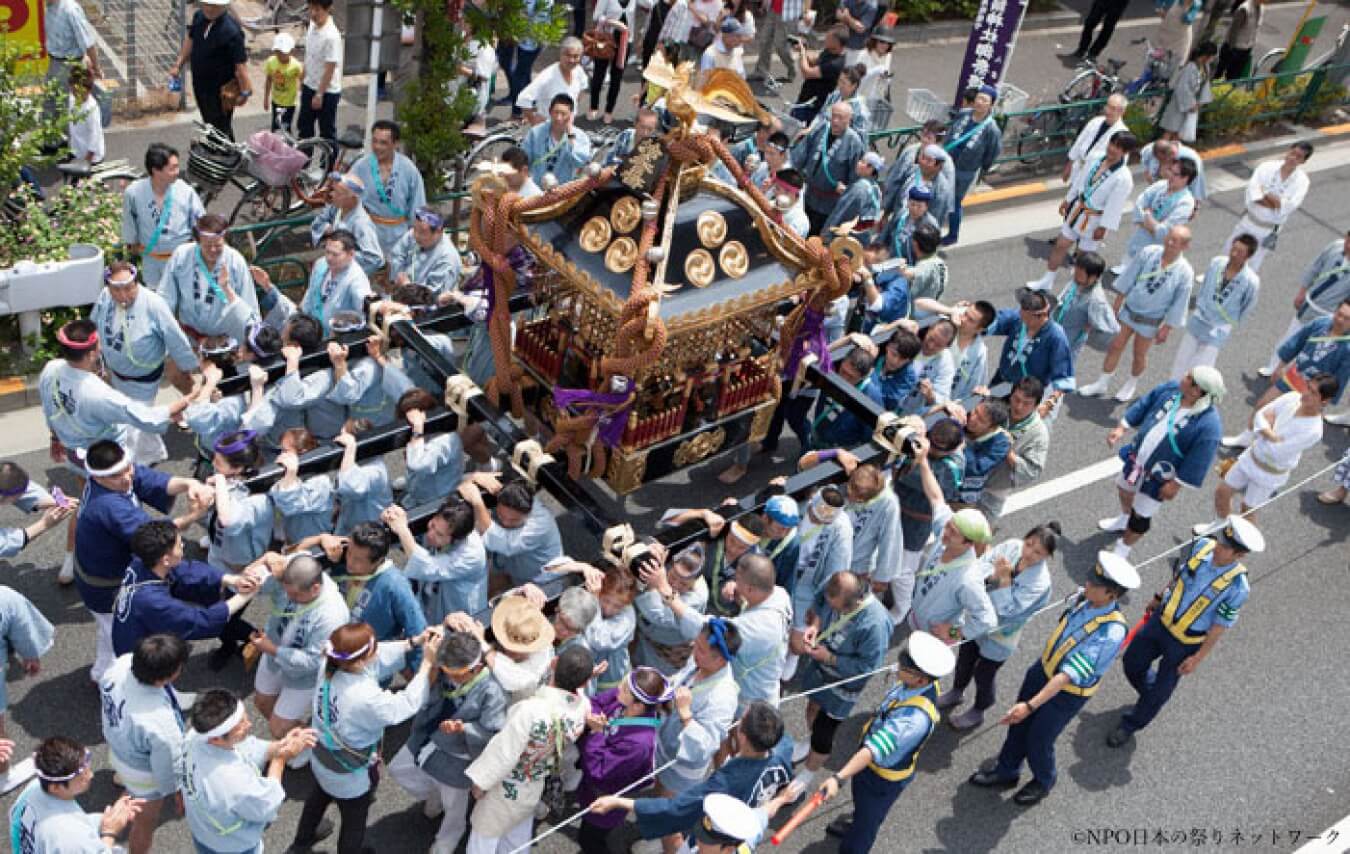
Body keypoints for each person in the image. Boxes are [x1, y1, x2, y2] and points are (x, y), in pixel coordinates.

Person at [969, 552, 1139, 806]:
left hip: (1066, 692)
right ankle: (1007, 770)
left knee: (1039, 738)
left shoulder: (1110, 632)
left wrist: (1030, 705)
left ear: (1111, 595)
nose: (1087, 584)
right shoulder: (1087, 599)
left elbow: (1066, 677)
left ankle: (1044, 780)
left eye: (1095, 584)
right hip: (1043, 670)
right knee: (1019, 726)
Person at [1109, 516, 1263, 748]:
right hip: (1160, 622)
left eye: (1226, 548)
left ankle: (1131, 724)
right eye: (1221, 542)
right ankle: (1148, 694)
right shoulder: (1202, 547)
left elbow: (1220, 626)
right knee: (1132, 662)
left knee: (1161, 692)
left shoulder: (1238, 587)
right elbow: (1179, 577)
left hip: (1185, 641)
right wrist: (1159, 597)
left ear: (1239, 555)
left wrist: (1197, 658)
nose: (1219, 548)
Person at [289, 623, 441, 854]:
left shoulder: (329, 664)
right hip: (349, 773)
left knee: (318, 796)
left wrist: (413, 642)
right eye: (374, 648)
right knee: (353, 822)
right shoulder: (366, 698)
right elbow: (406, 704)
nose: (378, 650)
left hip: (321, 756)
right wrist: (427, 663)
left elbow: (373, 656)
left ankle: (301, 842)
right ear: (360, 661)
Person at [72, 440, 209, 678]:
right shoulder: (108, 506)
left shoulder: (112, 480)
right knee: (128, 642)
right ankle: (126, 685)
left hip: (98, 576)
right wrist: (194, 515)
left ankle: (101, 674)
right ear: (98, 478)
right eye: (117, 475)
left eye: (128, 468)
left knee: (109, 631)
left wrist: (189, 483)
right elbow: (156, 536)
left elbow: (155, 481)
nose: (127, 478)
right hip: (108, 587)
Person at [815, 632, 955, 850]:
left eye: (904, 668)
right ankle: (857, 820)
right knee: (862, 807)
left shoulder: (913, 721)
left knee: (866, 826)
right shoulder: (920, 684)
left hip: (881, 777)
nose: (897, 667)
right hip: (870, 767)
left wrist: (838, 778)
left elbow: (873, 750)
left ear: (921, 679)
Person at [592, 701, 793, 848]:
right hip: (740, 830)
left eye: (741, 720)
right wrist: (781, 800)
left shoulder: (725, 784)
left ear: (742, 735)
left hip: (712, 839)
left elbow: (675, 808)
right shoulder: (783, 747)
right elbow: (762, 814)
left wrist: (618, 802)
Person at [464, 644, 592, 854]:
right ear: (586, 682)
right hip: (534, 783)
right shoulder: (582, 709)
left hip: (506, 787)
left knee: (484, 840)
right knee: (517, 840)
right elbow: (582, 695)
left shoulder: (530, 710)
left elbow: (504, 753)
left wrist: (481, 782)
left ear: (553, 663)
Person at [390, 628, 508, 854]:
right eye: (446, 670)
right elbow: (431, 690)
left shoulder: (492, 690)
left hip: (458, 754)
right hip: (429, 734)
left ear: (476, 668)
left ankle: (447, 840)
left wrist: (464, 728)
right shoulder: (447, 670)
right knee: (398, 769)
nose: (450, 676)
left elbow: (493, 732)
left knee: (454, 807)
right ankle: (434, 794)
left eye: (457, 673)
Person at [939, 523, 1059, 731]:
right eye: (1029, 544)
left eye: (1038, 552)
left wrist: (1003, 580)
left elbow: (1008, 611)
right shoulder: (1012, 546)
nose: (1029, 552)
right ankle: (956, 691)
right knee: (965, 658)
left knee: (984, 674)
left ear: (1047, 556)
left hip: (1002, 634)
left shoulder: (1040, 583)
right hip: (979, 618)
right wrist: (993, 577)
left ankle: (979, 709)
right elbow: (981, 566)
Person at [1099, 368, 1225, 559]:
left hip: (1159, 477)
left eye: (1189, 378)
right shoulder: (1172, 390)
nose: (1183, 378)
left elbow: (1199, 460)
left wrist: (1176, 484)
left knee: (1141, 516)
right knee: (1124, 489)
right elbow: (1145, 403)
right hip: (1137, 460)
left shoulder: (1209, 425)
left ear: (1197, 391)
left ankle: (1123, 549)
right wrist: (1122, 427)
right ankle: (1124, 517)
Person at [647, 551, 790, 711]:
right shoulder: (778, 594)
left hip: (750, 699)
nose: (734, 582)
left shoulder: (762, 628)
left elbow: (707, 627)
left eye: (737, 580)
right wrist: (738, 590)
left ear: (750, 589)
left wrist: (665, 590)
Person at [180, 689, 317, 854]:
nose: (249, 724)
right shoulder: (231, 780)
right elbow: (268, 802)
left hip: (204, 832)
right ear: (216, 738)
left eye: (245, 717)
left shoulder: (195, 736)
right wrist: (281, 758)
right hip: (234, 846)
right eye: (240, 725)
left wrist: (281, 745)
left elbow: (245, 747)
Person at [90, 262, 200, 465]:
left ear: (136, 282)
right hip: (116, 374)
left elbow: (174, 337)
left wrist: (187, 366)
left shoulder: (153, 304)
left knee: (131, 425)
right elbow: (94, 327)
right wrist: (96, 362)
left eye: (128, 287)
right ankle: (153, 453)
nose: (123, 294)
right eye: (117, 289)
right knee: (137, 420)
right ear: (109, 287)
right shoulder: (105, 297)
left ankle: (133, 468)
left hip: (144, 377)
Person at [111, 520, 259, 664]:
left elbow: (185, 570)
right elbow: (201, 621)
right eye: (178, 544)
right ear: (166, 560)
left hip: (130, 636)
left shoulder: (142, 561)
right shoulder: (153, 602)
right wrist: (244, 596)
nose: (183, 545)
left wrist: (231, 579)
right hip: (140, 660)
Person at [1204, 373, 1337, 530]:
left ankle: (1239, 548)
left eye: (1313, 393)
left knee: (1247, 510)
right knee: (1222, 492)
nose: (1306, 393)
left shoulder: (1314, 431)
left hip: (1270, 473)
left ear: (1325, 400)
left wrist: (1265, 427)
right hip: (1251, 456)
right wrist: (1270, 434)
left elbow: (1276, 452)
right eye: (1308, 387)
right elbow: (1261, 415)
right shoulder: (1292, 397)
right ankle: (1219, 527)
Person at [99, 633, 191, 854]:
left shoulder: (120, 665)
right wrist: (176, 791)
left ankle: (124, 784)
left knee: (130, 788)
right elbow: (167, 766)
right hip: (141, 772)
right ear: (167, 676)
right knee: (145, 823)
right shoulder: (160, 722)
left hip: (117, 746)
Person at [1080, 227, 1195, 403]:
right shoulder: (1149, 252)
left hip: (1150, 320)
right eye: (1169, 238)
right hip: (1130, 309)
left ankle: (1131, 383)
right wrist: (1117, 304)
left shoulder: (1185, 272)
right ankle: (1102, 382)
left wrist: (1167, 327)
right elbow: (1129, 276)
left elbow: (1180, 302)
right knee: (1115, 345)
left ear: (1185, 246)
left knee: (1139, 354)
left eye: (1175, 241)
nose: (1170, 242)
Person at [793, 570, 890, 779]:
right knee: (812, 708)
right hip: (820, 671)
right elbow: (820, 598)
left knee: (823, 733)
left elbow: (866, 669)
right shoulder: (834, 586)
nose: (830, 607)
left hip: (842, 687)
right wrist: (815, 625)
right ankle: (810, 740)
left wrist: (830, 658)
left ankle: (807, 775)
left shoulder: (875, 626)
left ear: (853, 604)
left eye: (834, 607)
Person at [250, 553, 351, 738]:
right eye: (287, 592)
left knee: (277, 728)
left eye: (295, 595)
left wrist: (272, 649)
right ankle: (298, 736)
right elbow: (254, 582)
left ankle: (310, 744)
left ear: (315, 588)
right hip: (274, 653)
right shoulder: (295, 566)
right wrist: (264, 560)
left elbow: (312, 660)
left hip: (303, 676)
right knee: (262, 702)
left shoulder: (332, 616)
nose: (290, 598)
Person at [1028, 132, 1137, 292]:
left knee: (1083, 259)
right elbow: (1080, 180)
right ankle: (1047, 280)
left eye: (1119, 147)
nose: (1112, 149)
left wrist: (1104, 227)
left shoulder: (1123, 178)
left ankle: (1072, 291)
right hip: (1077, 209)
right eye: (1112, 143)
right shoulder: (1096, 157)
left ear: (1125, 152)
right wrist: (1068, 199)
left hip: (1095, 219)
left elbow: (1115, 206)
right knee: (1061, 245)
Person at [574, 667, 668, 852]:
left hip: (606, 797)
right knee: (588, 834)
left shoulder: (639, 744)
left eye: (625, 689)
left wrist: (596, 733)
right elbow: (596, 702)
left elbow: (599, 771)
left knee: (592, 840)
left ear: (638, 706)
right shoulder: (625, 700)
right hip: (593, 790)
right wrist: (595, 717)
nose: (619, 688)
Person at [1231, 299, 1350, 433]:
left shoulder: (1348, 347)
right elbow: (1296, 342)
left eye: (1347, 319)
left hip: (1312, 391)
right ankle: (1246, 438)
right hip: (1294, 375)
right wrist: (1279, 366)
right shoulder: (1320, 323)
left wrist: (1322, 403)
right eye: (1339, 314)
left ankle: (1263, 449)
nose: (1340, 320)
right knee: (1263, 405)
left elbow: (1340, 378)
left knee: (1285, 424)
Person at [9, 736, 142, 853]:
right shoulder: (70, 838)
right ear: (55, 787)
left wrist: (105, 819)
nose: (91, 775)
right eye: (81, 777)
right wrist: (110, 832)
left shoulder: (33, 789)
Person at [330, 522, 428, 667]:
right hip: (336, 653)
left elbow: (417, 629)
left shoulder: (395, 585)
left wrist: (413, 669)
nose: (349, 561)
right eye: (349, 552)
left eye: (358, 560)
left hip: (367, 665)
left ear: (378, 561)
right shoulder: (340, 564)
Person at [1259, 230, 1350, 377]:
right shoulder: (1335, 247)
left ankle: (1296, 377)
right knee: (1290, 337)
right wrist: (1302, 291)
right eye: (1348, 241)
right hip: (1310, 305)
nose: (1349, 246)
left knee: (1314, 349)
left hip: (1329, 315)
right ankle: (1273, 367)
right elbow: (1315, 268)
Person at [1171, 234, 1261, 381]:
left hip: (1219, 326)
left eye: (1240, 252)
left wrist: (1231, 323)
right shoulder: (1217, 263)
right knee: (1182, 358)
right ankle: (1171, 388)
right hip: (1201, 317)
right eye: (1234, 248)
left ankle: (1188, 396)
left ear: (1248, 257)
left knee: (1201, 366)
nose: (1234, 254)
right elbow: (1205, 286)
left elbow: (1247, 307)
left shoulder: (1251, 281)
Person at [159, 213, 260, 342]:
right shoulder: (181, 256)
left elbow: (250, 308)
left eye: (218, 246)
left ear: (224, 238)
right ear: (197, 240)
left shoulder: (235, 262)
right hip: (190, 336)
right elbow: (166, 296)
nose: (213, 250)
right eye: (207, 245)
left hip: (225, 340)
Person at [386, 502, 488, 625]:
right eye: (432, 525)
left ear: (457, 540)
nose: (430, 534)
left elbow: (427, 566)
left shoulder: (472, 554)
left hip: (455, 605)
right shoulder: (441, 529)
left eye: (439, 534)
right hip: (431, 596)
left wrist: (402, 529)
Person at [459, 473, 564, 589]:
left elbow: (503, 542)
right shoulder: (511, 493)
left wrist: (477, 502)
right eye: (501, 516)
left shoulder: (541, 524)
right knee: (480, 587)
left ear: (528, 513)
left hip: (541, 582)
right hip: (510, 566)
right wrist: (474, 476)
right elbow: (464, 482)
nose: (506, 523)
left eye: (514, 520)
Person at [122, 142, 205, 288]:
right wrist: (131, 244)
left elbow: (201, 222)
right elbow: (129, 223)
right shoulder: (134, 193)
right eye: (172, 168)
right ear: (156, 170)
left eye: (177, 166)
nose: (177, 172)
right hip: (151, 261)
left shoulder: (185, 191)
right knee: (156, 299)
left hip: (181, 260)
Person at [169, 0, 252, 140]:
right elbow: (190, 40)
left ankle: (225, 157)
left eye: (214, 5)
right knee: (210, 124)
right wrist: (178, 64)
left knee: (220, 128)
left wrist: (245, 92)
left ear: (223, 6)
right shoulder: (199, 17)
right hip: (200, 84)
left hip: (220, 91)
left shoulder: (232, 31)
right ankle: (221, 153)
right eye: (206, 4)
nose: (209, 8)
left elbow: (241, 66)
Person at [980, 288, 1075, 400]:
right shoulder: (1020, 319)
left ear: (1041, 316)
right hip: (1002, 380)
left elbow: (1063, 378)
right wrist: (978, 321)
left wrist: (1049, 404)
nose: (1022, 320)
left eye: (1027, 319)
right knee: (987, 409)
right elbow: (998, 320)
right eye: (1021, 314)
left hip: (1026, 394)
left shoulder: (1056, 337)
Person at [633, 544, 708, 675]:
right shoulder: (665, 564)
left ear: (695, 580)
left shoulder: (697, 597)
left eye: (684, 584)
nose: (675, 585)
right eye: (672, 577)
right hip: (645, 637)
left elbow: (660, 615)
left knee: (653, 680)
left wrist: (655, 586)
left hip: (666, 652)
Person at [1114, 158, 1198, 276]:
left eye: (1175, 174)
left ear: (1186, 178)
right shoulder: (1161, 185)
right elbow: (1140, 202)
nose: (1170, 176)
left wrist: (1147, 215)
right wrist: (1151, 223)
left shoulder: (1186, 202)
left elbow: (1164, 232)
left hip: (1155, 248)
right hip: (1139, 239)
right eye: (1170, 171)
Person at [943, 85, 1003, 245]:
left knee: (954, 201)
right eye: (979, 98)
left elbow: (992, 152)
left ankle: (953, 233)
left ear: (991, 105)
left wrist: (980, 168)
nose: (980, 102)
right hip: (947, 163)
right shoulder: (964, 114)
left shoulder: (992, 129)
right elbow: (950, 133)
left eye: (985, 100)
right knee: (939, 193)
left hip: (965, 170)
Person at [205, 431, 274, 569]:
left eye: (218, 462)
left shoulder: (257, 499)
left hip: (238, 558)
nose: (213, 464)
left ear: (238, 468)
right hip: (221, 543)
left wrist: (219, 482)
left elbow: (227, 521)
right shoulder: (229, 474)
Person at [358, 120, 427, 258]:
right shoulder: (361, 166)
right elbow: (347, 197)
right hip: (368, 235)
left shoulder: (408, 170)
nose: (377, 147)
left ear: (395, 144)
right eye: (375, 141)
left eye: (383, 143)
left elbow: (418, 206)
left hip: (399, 236)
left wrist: (417, 237)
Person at [299, 230, 375, 335]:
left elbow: (363, 300)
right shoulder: (321, 264)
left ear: (351, 254)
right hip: (311, 328)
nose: (329, 258)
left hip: (334, 338)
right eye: (327, 252)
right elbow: (311, 291)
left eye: (335, 254)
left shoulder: (356, 279)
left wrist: (375, 304)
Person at [880, 125, 955, 228]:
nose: (924, 140)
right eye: (923, 135)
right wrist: (886, 212)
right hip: (899, 218)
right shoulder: (911, 156)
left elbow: (938, 214)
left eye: (929, 138)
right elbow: (895, 182)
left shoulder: (942, 187)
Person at [310, 174, 386, 276]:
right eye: (333, 190)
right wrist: (326, 229)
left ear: (352, 197)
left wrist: (342, 256)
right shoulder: (337, 208)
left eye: (338, 193)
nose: (332, 194)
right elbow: (318, 223)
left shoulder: (361, 223)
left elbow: (374, 258)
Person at [522, 94, 594, 186]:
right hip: (536, 187)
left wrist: (570, 135)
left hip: (562, 189)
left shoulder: (580, 136)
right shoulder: (536, 132)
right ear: (550, 112)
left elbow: (579, 162)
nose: (558, 118)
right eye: (556, 112)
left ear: (571, 115)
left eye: (563, 114)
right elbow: (524, 159)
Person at [497, 0, 553, 117]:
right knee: (520, 70)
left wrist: (518, 16)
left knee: (519, 74)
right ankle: (527, 102)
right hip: (516, 32)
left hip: (531, 38)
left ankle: (517, 112)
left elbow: (539, 14)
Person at [389, 207, 463, 295]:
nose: (416, 235)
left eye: (422, 232)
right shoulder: (413, 235)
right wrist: (398, 273)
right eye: (415, 229)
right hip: (400, 292)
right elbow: (397, 255)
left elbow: (435, 295)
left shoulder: (448, 259)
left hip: (424, 305)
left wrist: (407, 286)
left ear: (438, 231)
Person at [517, 37, 589, 124]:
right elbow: (523, 98)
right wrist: (534, 121)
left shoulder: (578, 70)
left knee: (571, 137)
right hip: (548, 125)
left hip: (568, 123)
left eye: (576, 56)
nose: (571, 60)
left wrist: (573, 105)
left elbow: (584, 86)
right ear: (560, 55)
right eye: (568, 55)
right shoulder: (548, 76)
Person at [299, 0, 343, 141]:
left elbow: (330, 68)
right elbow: (309, 54)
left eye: (317, 9)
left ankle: (330, 163)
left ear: (328, 8)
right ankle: (304, 162)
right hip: (309, 84)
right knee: (304, 129)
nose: (313, 13)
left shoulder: (331, 36)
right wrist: (303, 76)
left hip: (326, 92)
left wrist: (319, 94)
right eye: (310, 9)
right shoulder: (312, 25)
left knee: (327, 132)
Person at [1062, 95, 1128, 187]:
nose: (1108, 111)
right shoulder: (1096, 121)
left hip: (1095, 180)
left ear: (1122, 112)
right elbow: (1079, 142)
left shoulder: (1123, 134)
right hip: (1079, 168)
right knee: (1071, 195)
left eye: (1113, 108)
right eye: (1107, 106)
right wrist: (1069, 165)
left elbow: (1120, 163)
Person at [1160, 41, 1217, 143]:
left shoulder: (1205, 68)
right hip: (1178, 104)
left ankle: (1172, 153)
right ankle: (1160, 152)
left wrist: (1198, 103)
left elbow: (1204, 86)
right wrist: (1192, 104)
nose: (1212, 59)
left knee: (1178, 133)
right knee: (1170, 131)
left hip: (1190, 104)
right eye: (1212, 56)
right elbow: (1182, 88)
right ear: (1206, 56)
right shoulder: (1190, 67)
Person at [42, 0, 103, 93]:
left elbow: (88, 43)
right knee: (54, 102)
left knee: (70, 102)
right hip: (54, 64)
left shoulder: (70, 10)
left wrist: (96, 69)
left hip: (71, 67)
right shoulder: (49, 7)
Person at [794, 24, 849, 125]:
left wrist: (802, 52)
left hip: (812, 107)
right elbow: (815, 61)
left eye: (828, 37)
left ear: (836, 42)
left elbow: (807, 73)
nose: (825, 38)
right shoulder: (829, 50)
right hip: (805, 100)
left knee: (795, 134)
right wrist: (805, 50)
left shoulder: (835, 64)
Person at [824, 151, 884, 237]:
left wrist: (826, 234)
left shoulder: (860, 188)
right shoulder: (876, 188)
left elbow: (843, 213)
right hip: (864, 235)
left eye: (863, 162)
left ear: (870, 169)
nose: (858, 163)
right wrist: (847, 192)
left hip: (849, 235)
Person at [749, 0, 809, 84]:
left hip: (788, 13)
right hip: (772, 10)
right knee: (764, 41)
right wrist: (763, 5)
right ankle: (761, 71)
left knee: (780, 46)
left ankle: (792, 69)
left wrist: (807, 12)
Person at [263, 32, 302, 133]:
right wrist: (266, 98)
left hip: (289, 103)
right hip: (276, 101)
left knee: (285, 128)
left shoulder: (296, 65)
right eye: (277, 52)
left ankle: (286, 147)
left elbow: (302, 80)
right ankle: (276, 147)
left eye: (283, 53)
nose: (280, 55)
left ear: (291, 51)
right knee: (275, 127)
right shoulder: (271, 62)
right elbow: (268, 80)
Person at [1216, 0, 1265, 79]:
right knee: (1219, 72)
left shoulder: (1261, 7)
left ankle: (1228, 88)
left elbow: (1256, 28)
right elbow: (1233, 30)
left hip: (1247, 48)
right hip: (1234, 47)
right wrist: (1231, 48)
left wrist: (1251, 46)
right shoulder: (1244, 9)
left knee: (1234, 76)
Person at [66, 65, 103, 164]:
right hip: (77, 151)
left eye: (80, 93)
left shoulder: (91, 109)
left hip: (91, 157)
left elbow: (95, 136)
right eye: (74, 92)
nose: (77, 95)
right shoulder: (72, 99)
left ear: (89, 90)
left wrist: (87, 160)